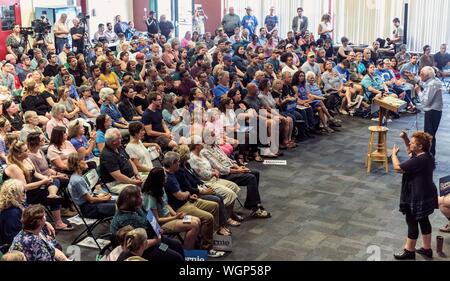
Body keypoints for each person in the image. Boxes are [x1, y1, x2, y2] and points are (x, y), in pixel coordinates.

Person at [162, 152, 225, 258]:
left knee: (214, 205)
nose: (179, 164)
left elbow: (181, 193)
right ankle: (207, 248)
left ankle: (203, 238)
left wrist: (188, 196)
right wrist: (187, 194)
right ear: (173, 163)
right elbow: (180, 195)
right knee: (208, 217)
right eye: (178, 163)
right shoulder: (168, 177)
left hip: (187, 201)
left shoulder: (174, 173)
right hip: (180, 208)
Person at [5, 141, 72, 231]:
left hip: (32, 188)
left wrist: (46, 178)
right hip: (22, 195)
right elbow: (24, 187)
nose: (28, 151)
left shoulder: (26, 159)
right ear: (19, 154)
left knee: (55, 181)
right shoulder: (14, 167)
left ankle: (53, 194)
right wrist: (43, 182)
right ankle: (58, 222)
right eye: (25, 150)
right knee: (54, 197)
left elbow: (35, 173)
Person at [392, 132, 438, 260]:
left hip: (417, 196)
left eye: (412, 143)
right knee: (424, 220)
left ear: (420, 146)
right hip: (427, 193)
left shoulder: (419, 161)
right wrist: (405, 138)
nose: (410, 144)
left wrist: (393, 156)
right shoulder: (427, 155)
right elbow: (410, 151)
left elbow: (397, 168)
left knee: (411, 222)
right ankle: (427, 249)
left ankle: (409, 251)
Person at [110, 185, 185, 262]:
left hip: (150, 236)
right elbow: (139, 243)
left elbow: (148, 219)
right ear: (134, 201)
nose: (142, 197)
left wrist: (157, 229)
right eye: (140, 196)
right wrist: (156, 240)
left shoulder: (132, 207)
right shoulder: (127, 219)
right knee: (176, 257)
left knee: (177, 245)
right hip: (138, 248)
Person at [142, 167, 201, 249]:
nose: (166, 177)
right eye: (165, 176)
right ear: (160, 179)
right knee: (194, 225)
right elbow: (156, 220)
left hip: (170, 217)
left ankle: (191, 247)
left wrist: (176, 214)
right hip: (161, 224)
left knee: (197, 220)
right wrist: (175, 217)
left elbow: (166, 204)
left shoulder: (160, 188)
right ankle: (187, 253)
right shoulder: (150, 196)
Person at [67, 153, 115, 219]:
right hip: (89, 209)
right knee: (121, 206)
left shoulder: (78, 177)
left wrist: (102, 197)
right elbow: (91, 200)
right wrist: (104, 198)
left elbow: (89, 196)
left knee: (120, 202)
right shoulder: (77, 180)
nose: (85, 162)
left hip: (90, 204)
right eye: (83, 160)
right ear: (78, 164)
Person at [99, 128, 143, 194]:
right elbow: (118, 176)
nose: (122, 139)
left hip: (130, 178)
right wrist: (134, 182)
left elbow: (130, 161)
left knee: (151, 179)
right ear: (113, 142)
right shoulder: (107, 155)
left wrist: (137, 174)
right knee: (134, 190)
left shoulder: (119, 147)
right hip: (116, 183)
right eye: (119, 138)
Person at [416, 66, 444, 157]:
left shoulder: (432, 84)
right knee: (430, 135)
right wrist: (414, 78)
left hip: (432, 111)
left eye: (421, 74)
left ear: (427, 75)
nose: (420, 76)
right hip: (435, 111)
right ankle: (429, 156)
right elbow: (425, 84)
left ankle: (429, 157)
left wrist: (418, 91)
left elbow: (425, 102)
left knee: (429, 135)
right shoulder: (434, 81)